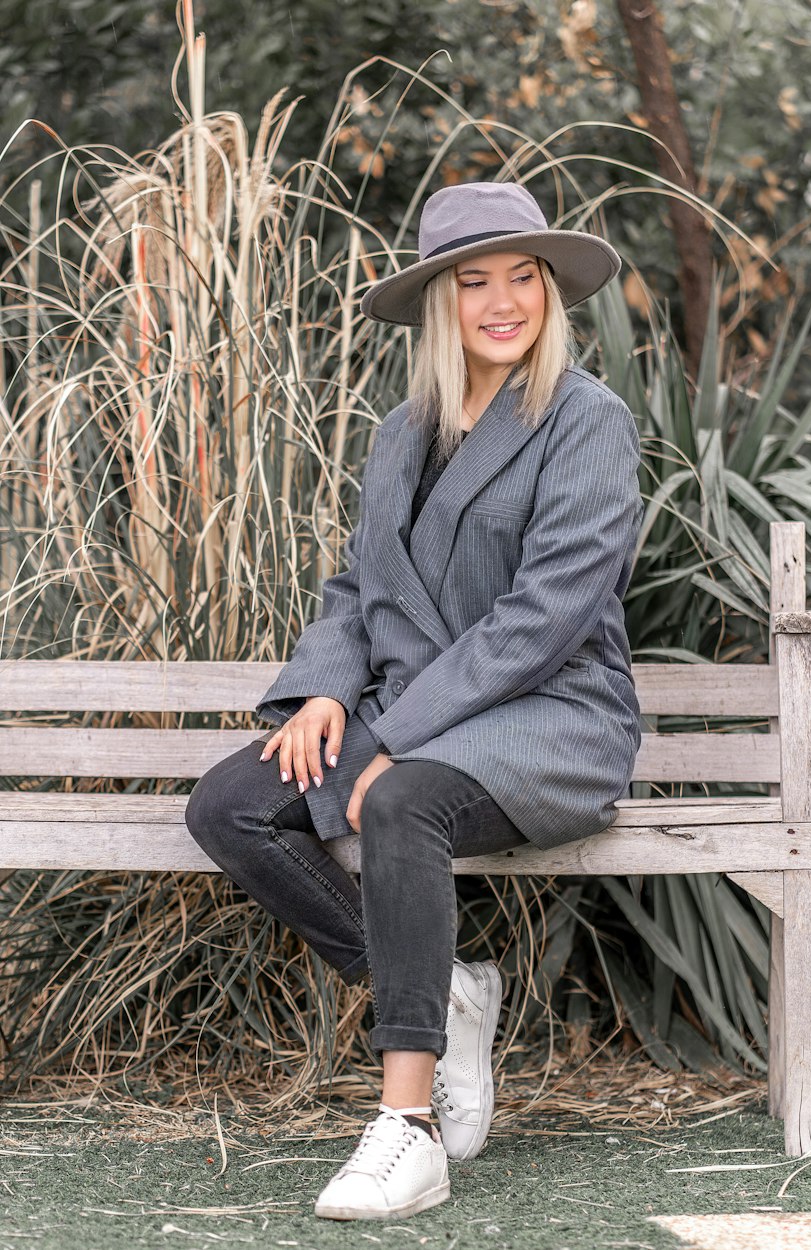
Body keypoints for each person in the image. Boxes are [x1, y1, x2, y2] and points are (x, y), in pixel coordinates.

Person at [184, 180, 644, 1221]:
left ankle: (409, 1126)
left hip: (551, 716)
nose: (499, 300)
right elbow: (359, 584)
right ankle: (444, 994)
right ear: (439, 300)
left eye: (520, 277)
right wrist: (321, 692)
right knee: (230, 807)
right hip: (412, 709)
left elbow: (541, 619)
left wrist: (386, 735)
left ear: (547, 290)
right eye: (472, 280)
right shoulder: (403, 430)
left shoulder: (586, 421)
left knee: (398, 802)